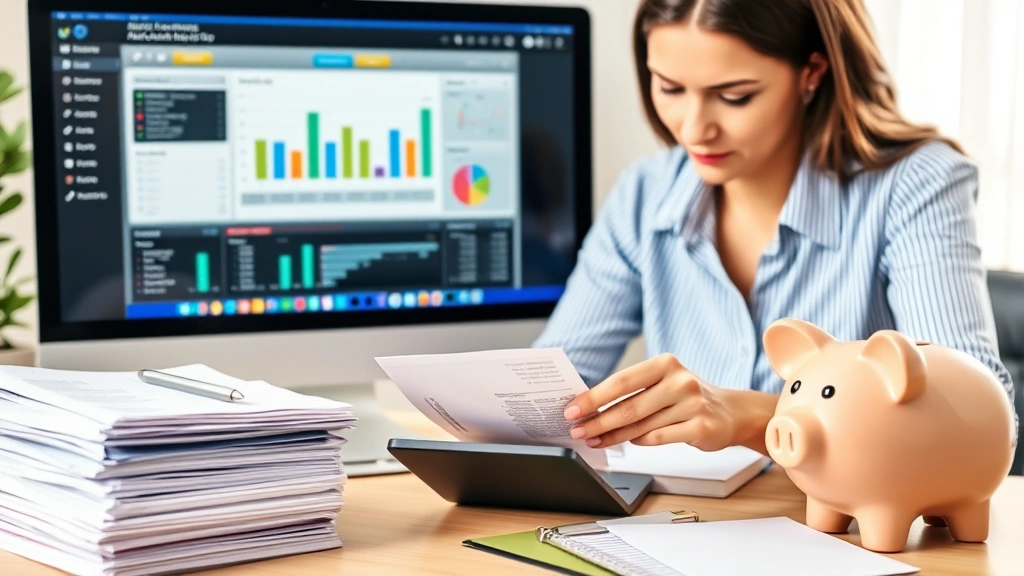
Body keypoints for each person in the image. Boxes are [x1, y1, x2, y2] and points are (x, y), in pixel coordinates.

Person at [533, 0, 1016, 457]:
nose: (695, 128)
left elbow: (979, 425)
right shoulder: (644, 193)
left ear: (812, 72)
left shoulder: (915, 185)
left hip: (853, 534)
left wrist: (755, 418)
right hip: (690, 525)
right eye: (670, 88)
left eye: (734, 96)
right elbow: (545, 393)